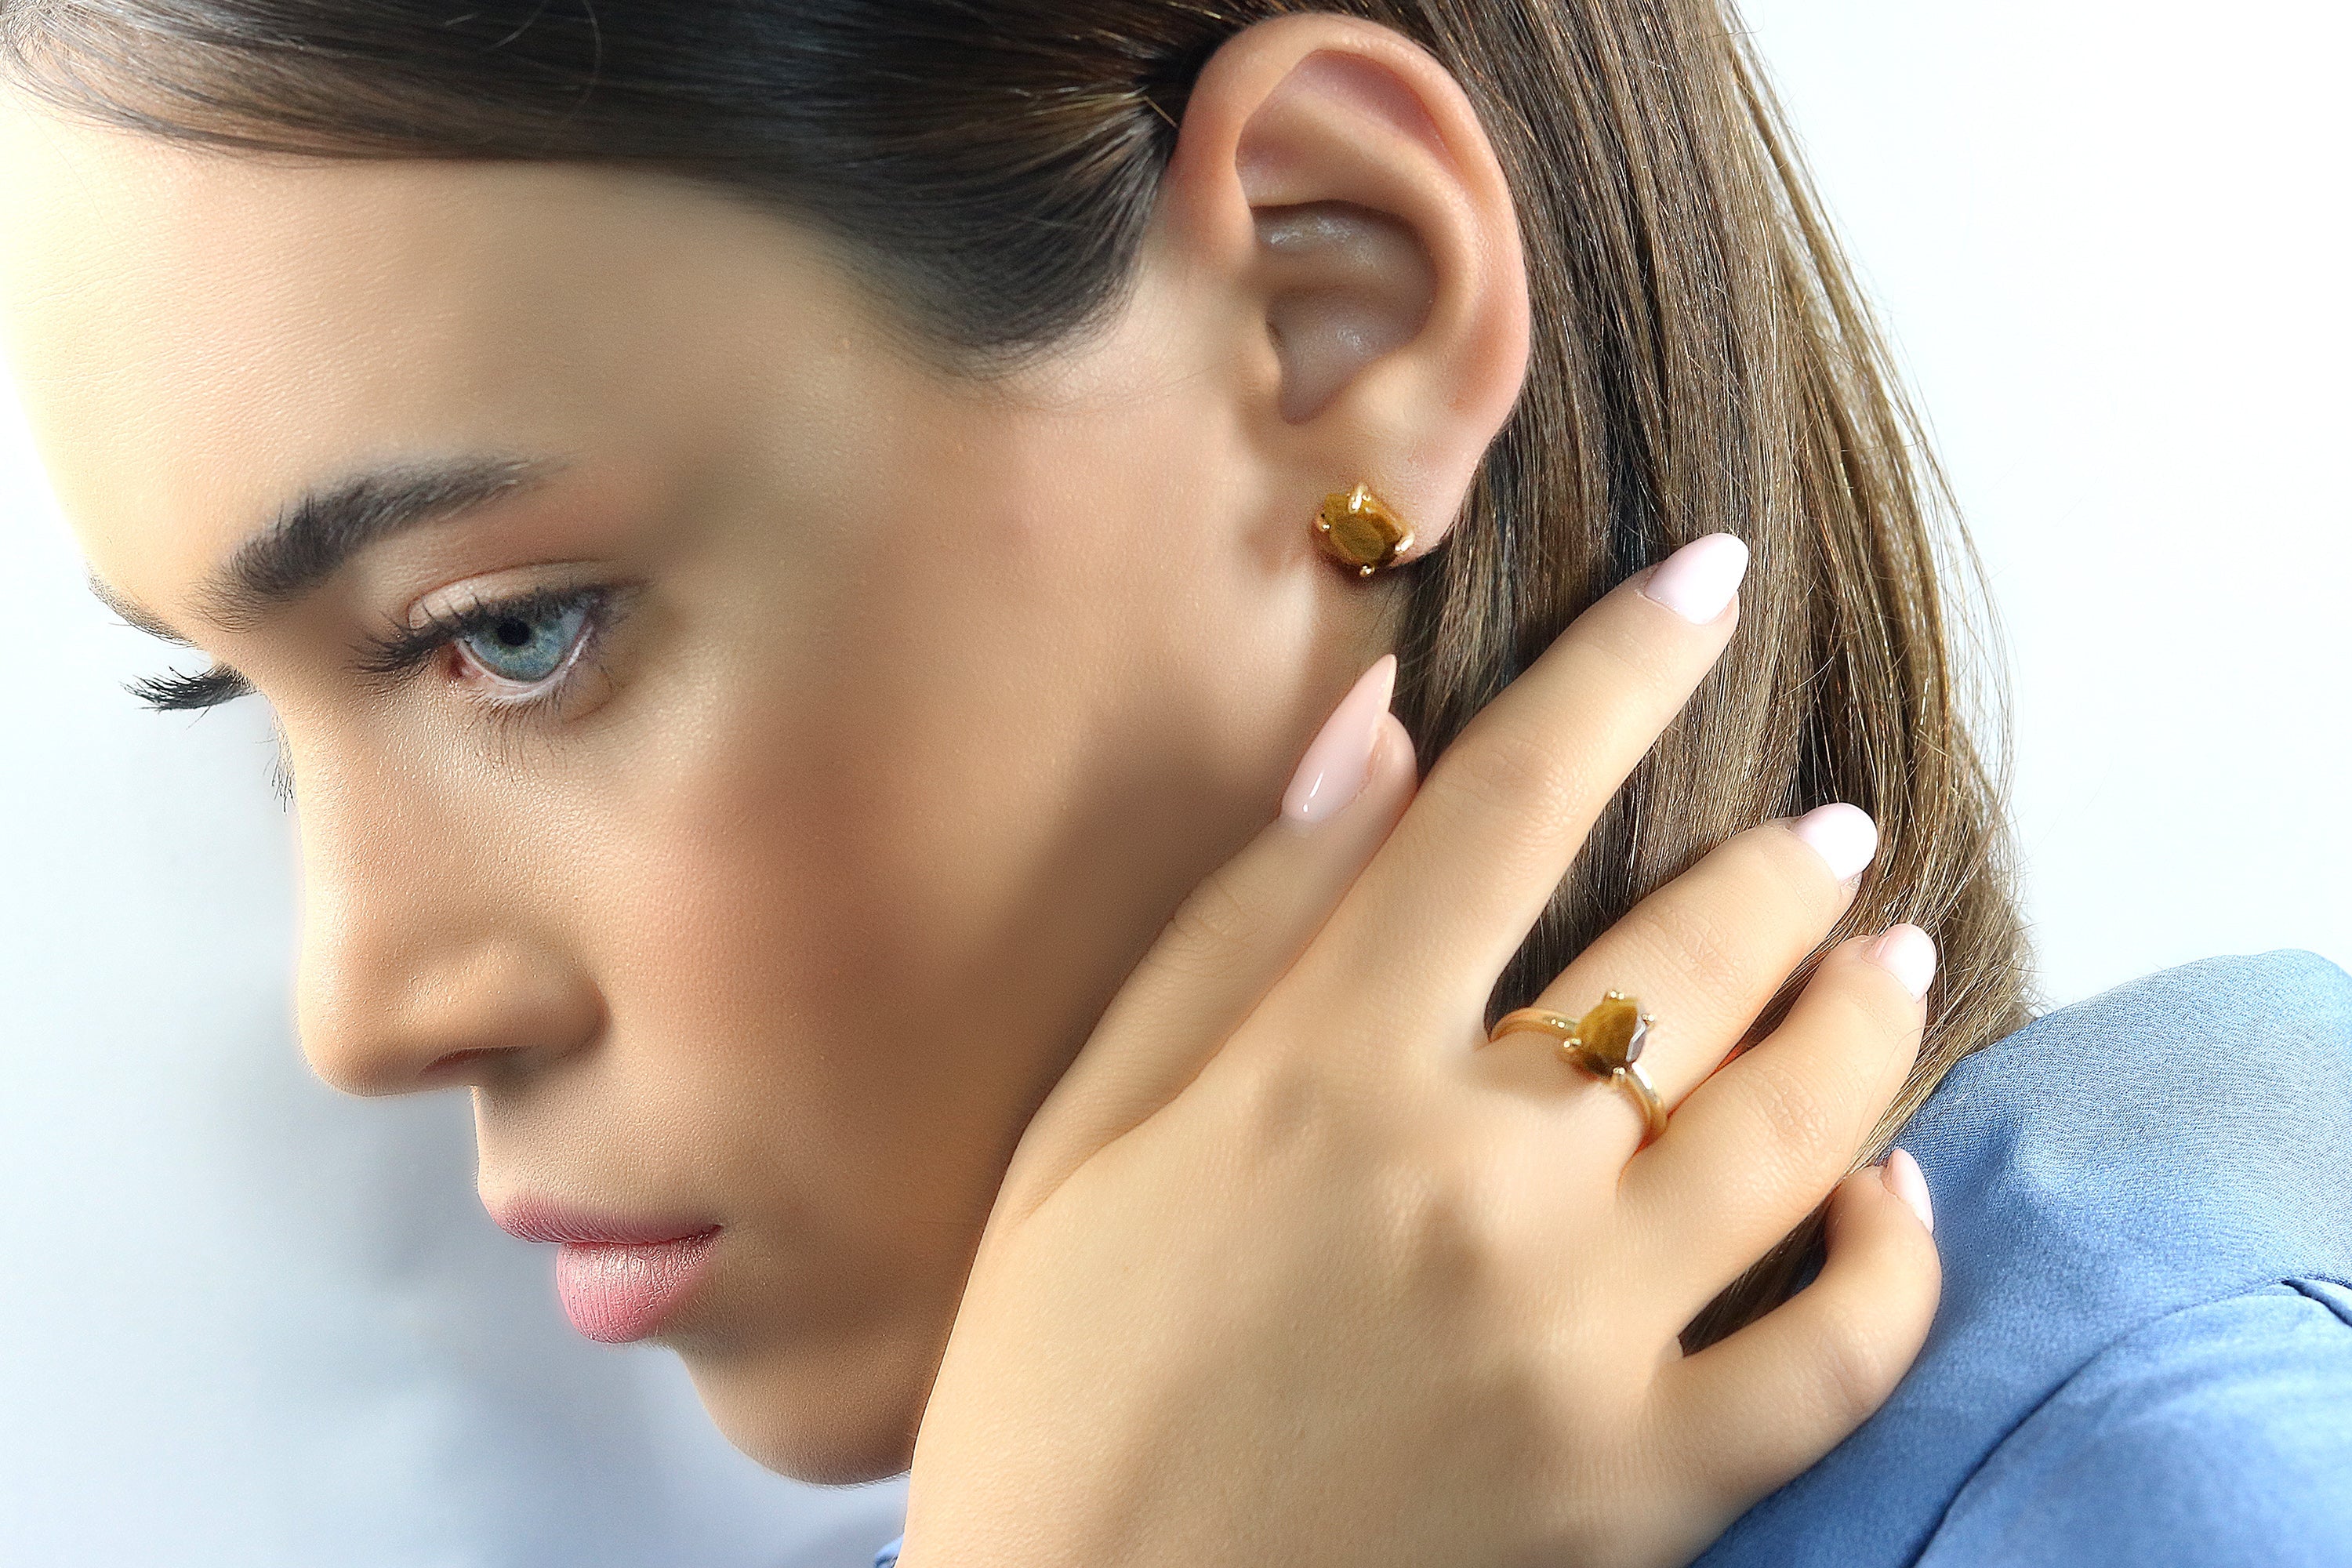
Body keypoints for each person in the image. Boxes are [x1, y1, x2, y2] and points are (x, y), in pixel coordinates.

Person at [0, 3, 2343, 1565]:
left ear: (1336, 324)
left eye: (513, 627)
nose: (364, 1004)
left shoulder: (2200, 1483)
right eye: (243, 706)